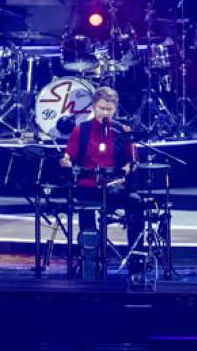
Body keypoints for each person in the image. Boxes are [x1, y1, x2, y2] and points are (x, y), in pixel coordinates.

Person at [59, 86, 142, 277]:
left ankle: (136, 258)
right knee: (85, 209)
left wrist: (128, 168)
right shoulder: (81, 130)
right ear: (94, 107)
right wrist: (66, 161)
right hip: (88, 186)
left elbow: (133, 160)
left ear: (115, 110)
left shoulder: (122, 130)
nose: (105, 113)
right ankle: (90, 258)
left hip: (115, 186)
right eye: (101, 108)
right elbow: (68, 156)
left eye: (109, 109)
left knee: (136, 205)